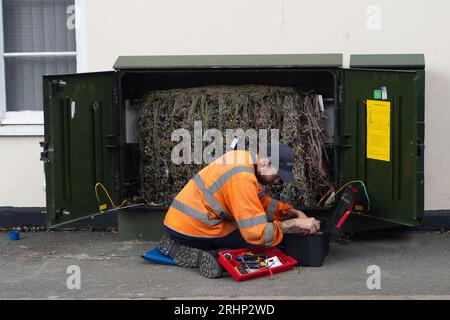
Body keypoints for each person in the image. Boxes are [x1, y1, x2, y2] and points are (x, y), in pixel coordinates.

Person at [159, 143, 321, 278]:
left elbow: (260, 203)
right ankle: (198, 253)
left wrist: (291, 213)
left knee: (267, 233)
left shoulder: (244, 160)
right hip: (191, 227)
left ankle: (205, 250)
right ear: (265, 162)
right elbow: (255, 233)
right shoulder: (242, 177)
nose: (278, 181)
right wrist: (293, 225)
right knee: (257, 244)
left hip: (184, 221)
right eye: (278, 175)